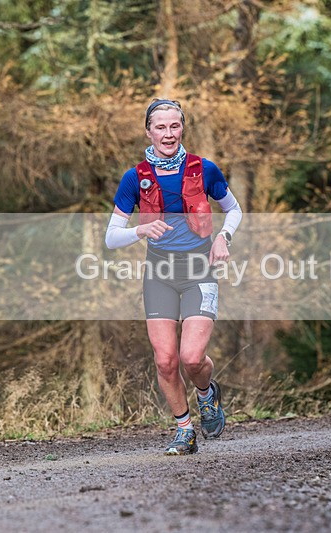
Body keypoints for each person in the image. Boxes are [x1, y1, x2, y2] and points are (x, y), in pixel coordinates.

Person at [105, 98, 242, 455]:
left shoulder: (204, 169)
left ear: (183, 128)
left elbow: (234, 210)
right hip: (159, 273)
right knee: (165, 360)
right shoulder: (134, 178)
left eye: (175, 126)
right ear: (148, 131)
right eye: (160, 127)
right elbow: (111, 236)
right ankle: (184, 429)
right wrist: (140, 231)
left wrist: (224, 239)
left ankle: (207, 393)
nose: (168, 133)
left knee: (192, 358)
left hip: (200, 269)